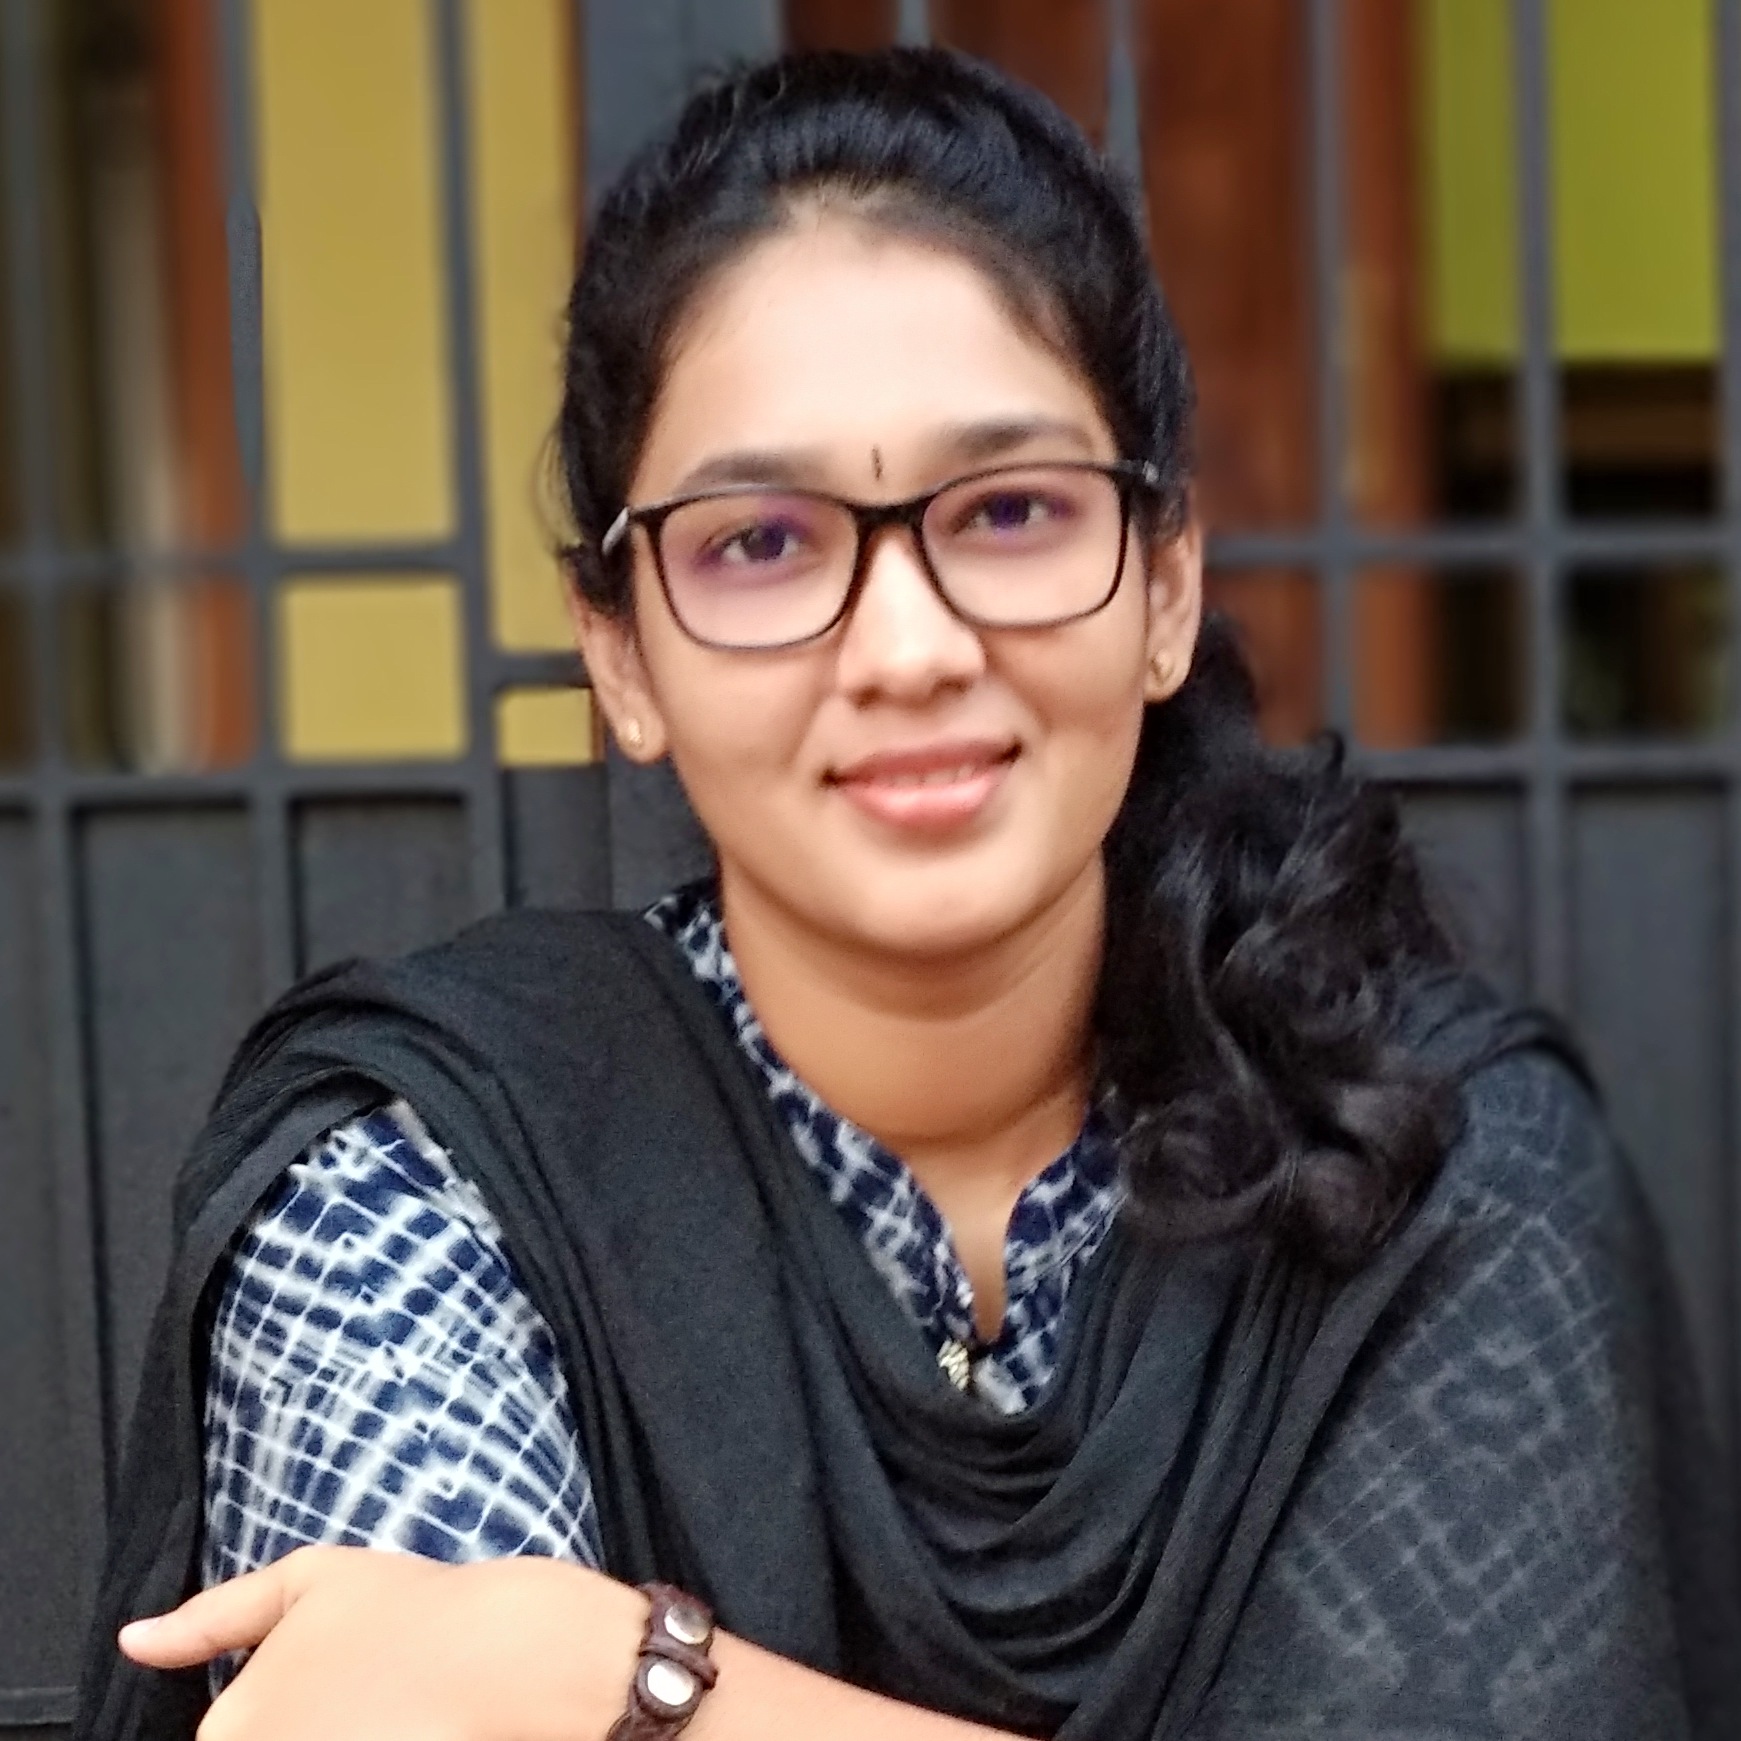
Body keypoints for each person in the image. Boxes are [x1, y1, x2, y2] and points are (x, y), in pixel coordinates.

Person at [78, 46, 1737, 1741]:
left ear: (1164, 586)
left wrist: (629, 1683)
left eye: (1007, 510)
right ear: (621, 655)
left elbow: (489, 1695)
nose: (908, 646)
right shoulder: (427, 1179)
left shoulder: (1431, 1159)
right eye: (759, 541)